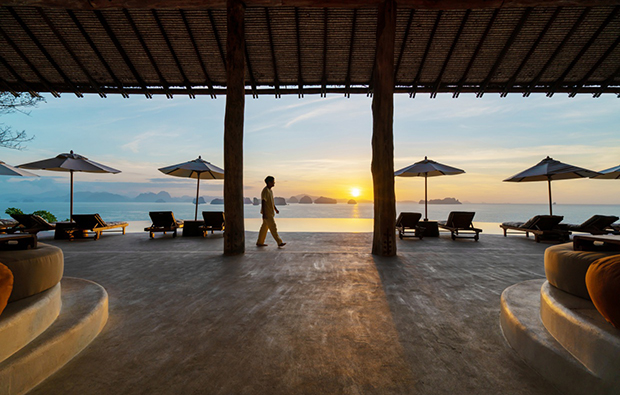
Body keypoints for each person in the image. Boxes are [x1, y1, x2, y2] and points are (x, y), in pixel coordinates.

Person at [256, 176, 285, 247]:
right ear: (269, 182)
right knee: (273, 227)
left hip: (270, 212)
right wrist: (264, 213)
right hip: (267, 213)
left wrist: (275, 209)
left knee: (264, 228)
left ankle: (260, 242)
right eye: (273, 182)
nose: (274, 183)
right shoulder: (265, 190)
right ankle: (279, 242)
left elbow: (271, 202)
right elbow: (263, 201)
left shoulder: (270, 191)